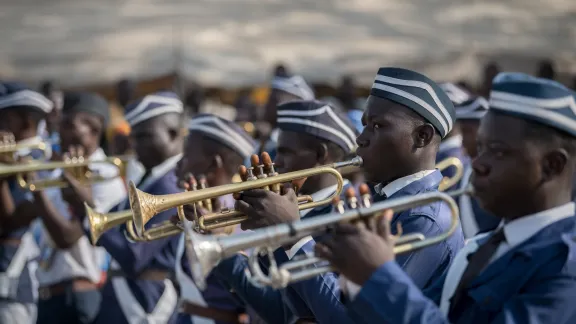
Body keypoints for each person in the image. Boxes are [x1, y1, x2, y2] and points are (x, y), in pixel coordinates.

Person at [316, 73, 576, 324]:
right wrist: (358, 272)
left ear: (552, 165)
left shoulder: (567, 266)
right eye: (481, 148)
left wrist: (377, 275)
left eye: (498, 152)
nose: (478, 163)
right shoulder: (481, 247)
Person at [233, 67, 466, 323]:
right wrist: (276, 234)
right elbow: (300, 309)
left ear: (422, 136)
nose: (361, 138)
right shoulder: (380, 201)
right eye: (365, 124)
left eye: (378, 126)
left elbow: (346, 318)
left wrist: (293, 235)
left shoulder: (426, 218)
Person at [213, 100, 359, 323]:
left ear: (320, 154)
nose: (276, 162)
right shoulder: (298, 207)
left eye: (285, 153)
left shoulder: (347, 211)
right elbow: (279, 311)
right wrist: (219, 246)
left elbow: (333, 313)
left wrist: (288, 234)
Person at [90, 91, 185, 324]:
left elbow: (135, 257)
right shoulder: (149, 179)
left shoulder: (173, 183)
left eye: (143, 136)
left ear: (172, 134)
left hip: (144, 302)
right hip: (123, 300)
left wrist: (89, 209)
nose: (134, 145)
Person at [32, 91, 126, 324]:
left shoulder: (107, 177)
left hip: (82, 296)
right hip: (47, 293)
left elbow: (69, 236)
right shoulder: (55, 169)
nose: (58, 134)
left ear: (94, 131)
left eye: (67, 125)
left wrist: (36, 189)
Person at [174, 113, 257, 323]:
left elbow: (243, 282)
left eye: (187, 155)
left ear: (213, 164)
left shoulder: (237, 212)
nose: (179, 163)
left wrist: (214, 236)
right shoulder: (196, 207)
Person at [0, 82, 53, 323]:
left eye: (4, 121)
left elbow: (13, 219)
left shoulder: (38, 160)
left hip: (14, 281)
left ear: (26, 122)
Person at [439, 83, 499, 238]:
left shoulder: (495, 174)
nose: (463, 138)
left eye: (468, 132)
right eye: (462, 130)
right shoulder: (465, 168)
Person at [257, 75, 316, 161]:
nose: (266, 104)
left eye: (273, 99)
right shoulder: (267, 137)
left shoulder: (300, 143)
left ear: (295, 103)